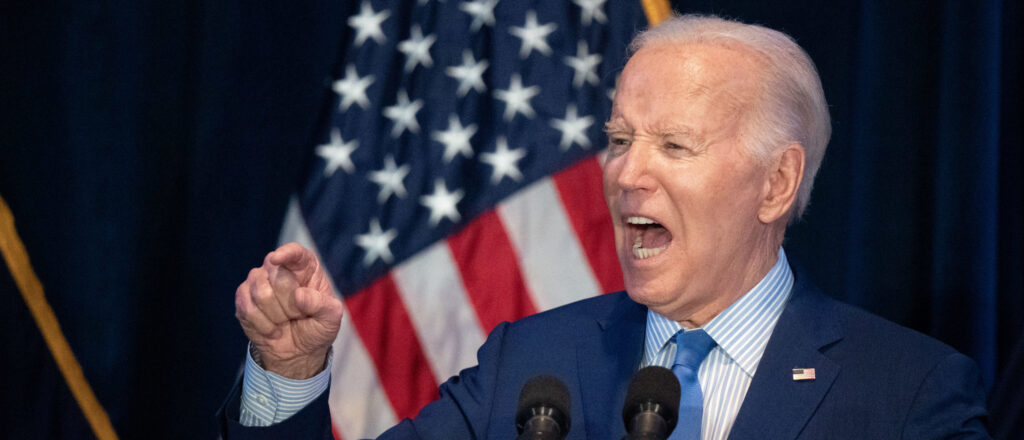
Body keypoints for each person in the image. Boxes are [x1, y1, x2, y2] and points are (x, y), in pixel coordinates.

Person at [219, 14, 991, 439]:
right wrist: (289, 375)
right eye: (619, 140)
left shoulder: (909, 393)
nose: (625, 173)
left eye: (674, 146)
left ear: (777, 183)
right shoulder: (529, 366)